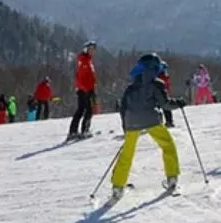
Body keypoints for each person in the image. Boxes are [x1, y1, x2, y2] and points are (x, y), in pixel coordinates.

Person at [109, 54, 186, 204]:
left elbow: (123, 109)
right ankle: (171, 178)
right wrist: (180, 103)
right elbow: (165, 104)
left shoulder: (130, 87)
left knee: (127, 154)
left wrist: (126, 127)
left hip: (132, 122)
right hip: (152, 120)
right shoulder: (157, 83)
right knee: (167, 145)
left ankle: (118, 187)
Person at [67, 40, 97, 140]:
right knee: (88, 110)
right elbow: (80, 77)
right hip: (85, 90)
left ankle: (73, 132)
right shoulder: (85, 61)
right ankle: (84, 131)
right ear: (86, 50)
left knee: (81, 110)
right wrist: (86, 89)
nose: (93, 51)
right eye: (91, 49)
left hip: (85, 89)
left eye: (94, 49)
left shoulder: (86, 60)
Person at [157, 63, 175, 127]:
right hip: (161, 94)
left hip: (160, 95)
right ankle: (168, 122)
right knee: (165, 108)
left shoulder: (162, 76)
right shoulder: (163, 76)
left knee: (163, 108)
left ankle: (168, 122)